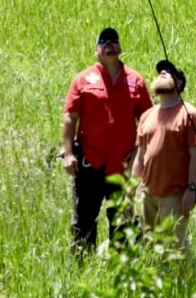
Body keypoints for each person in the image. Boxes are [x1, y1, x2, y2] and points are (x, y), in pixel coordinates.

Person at [59, 27, 152, 251]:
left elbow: (148, 121)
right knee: (83, 221)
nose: (108, 43)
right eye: (103, 40)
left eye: (113, 40)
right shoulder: (82, 79)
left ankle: (120, 269)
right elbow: (70, 118)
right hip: (90, 162)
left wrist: (139, 152)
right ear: (96, 49)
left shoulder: (135, 81)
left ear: (120, 48)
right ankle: (81, 267)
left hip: (122, 166)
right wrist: (69, 153)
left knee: (122, 222)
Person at [132, 60, 196, 248]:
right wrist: (131, 188)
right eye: (160, 71)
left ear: (179, 83)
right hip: (148, 194)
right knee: (150, 246)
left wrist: (191, 189)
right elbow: (141, 157)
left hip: (175, 195)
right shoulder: (147, 115)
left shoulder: (189, 114)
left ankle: (184, 278)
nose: (162, 72)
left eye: (169, 72)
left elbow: (195, 155)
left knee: (175, 248)